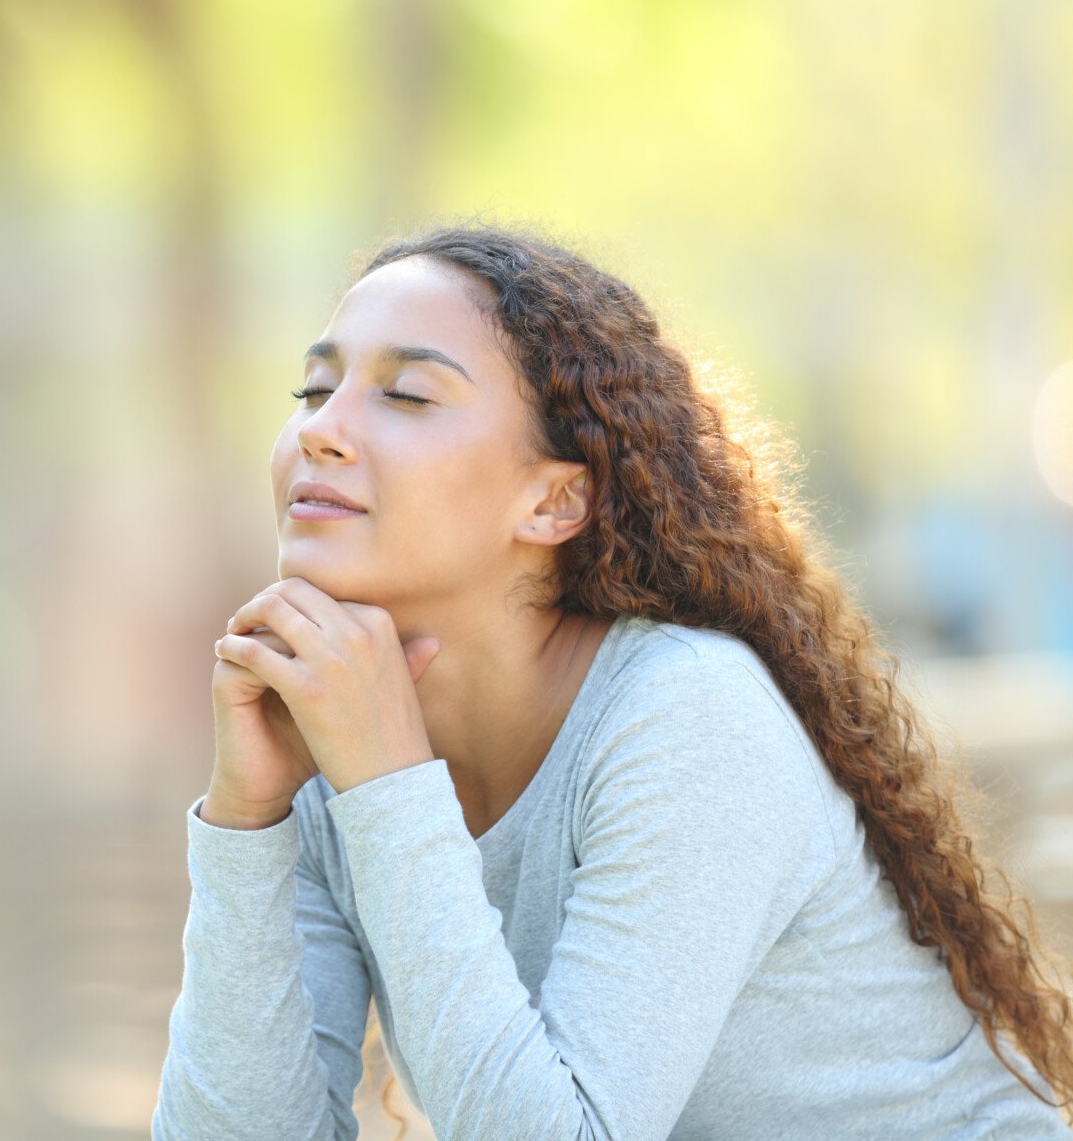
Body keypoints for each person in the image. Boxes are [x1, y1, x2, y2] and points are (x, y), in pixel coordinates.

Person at [151, 223, 1073, 1140]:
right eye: (314, 390)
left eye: (407, 395)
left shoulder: (687, 716)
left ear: (555, 501)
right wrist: (247, 823)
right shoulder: (342, 742)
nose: (321, 430)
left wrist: (389, 790)